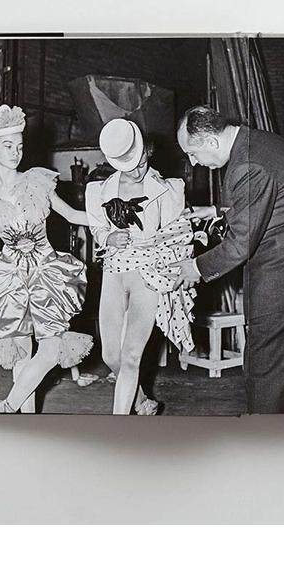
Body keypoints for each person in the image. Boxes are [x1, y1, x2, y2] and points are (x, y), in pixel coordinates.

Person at [0, 104, 93, 413]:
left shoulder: (36, 181)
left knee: (51, 349)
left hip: (46, 273)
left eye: (19, 146)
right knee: (21, 356)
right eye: (8, 145)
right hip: (10, 279)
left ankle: (7, 406)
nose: (15, 152)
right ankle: (24, 423)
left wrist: (108, 219)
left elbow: (71, 214)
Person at [173, 106, 284, 414]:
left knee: (266, 375)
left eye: (193, 153)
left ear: (211, 142)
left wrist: (195, 267)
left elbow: (240, 244)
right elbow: (271, 204)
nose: (193, 162)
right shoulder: (259, 142)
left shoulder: (248, 165)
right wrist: (214, 212)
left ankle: (261, 438)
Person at [86, 119, 197, 415]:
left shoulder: (167, 189)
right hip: (114, 270)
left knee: (132, 356)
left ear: (148, 152)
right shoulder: (99, 190)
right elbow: (97, 228)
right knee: (111, 356)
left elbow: (178, 231)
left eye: (142, 162)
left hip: (148, 272)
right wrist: (108, 237)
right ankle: (142, 401)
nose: (138, 171)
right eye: (130, 166)